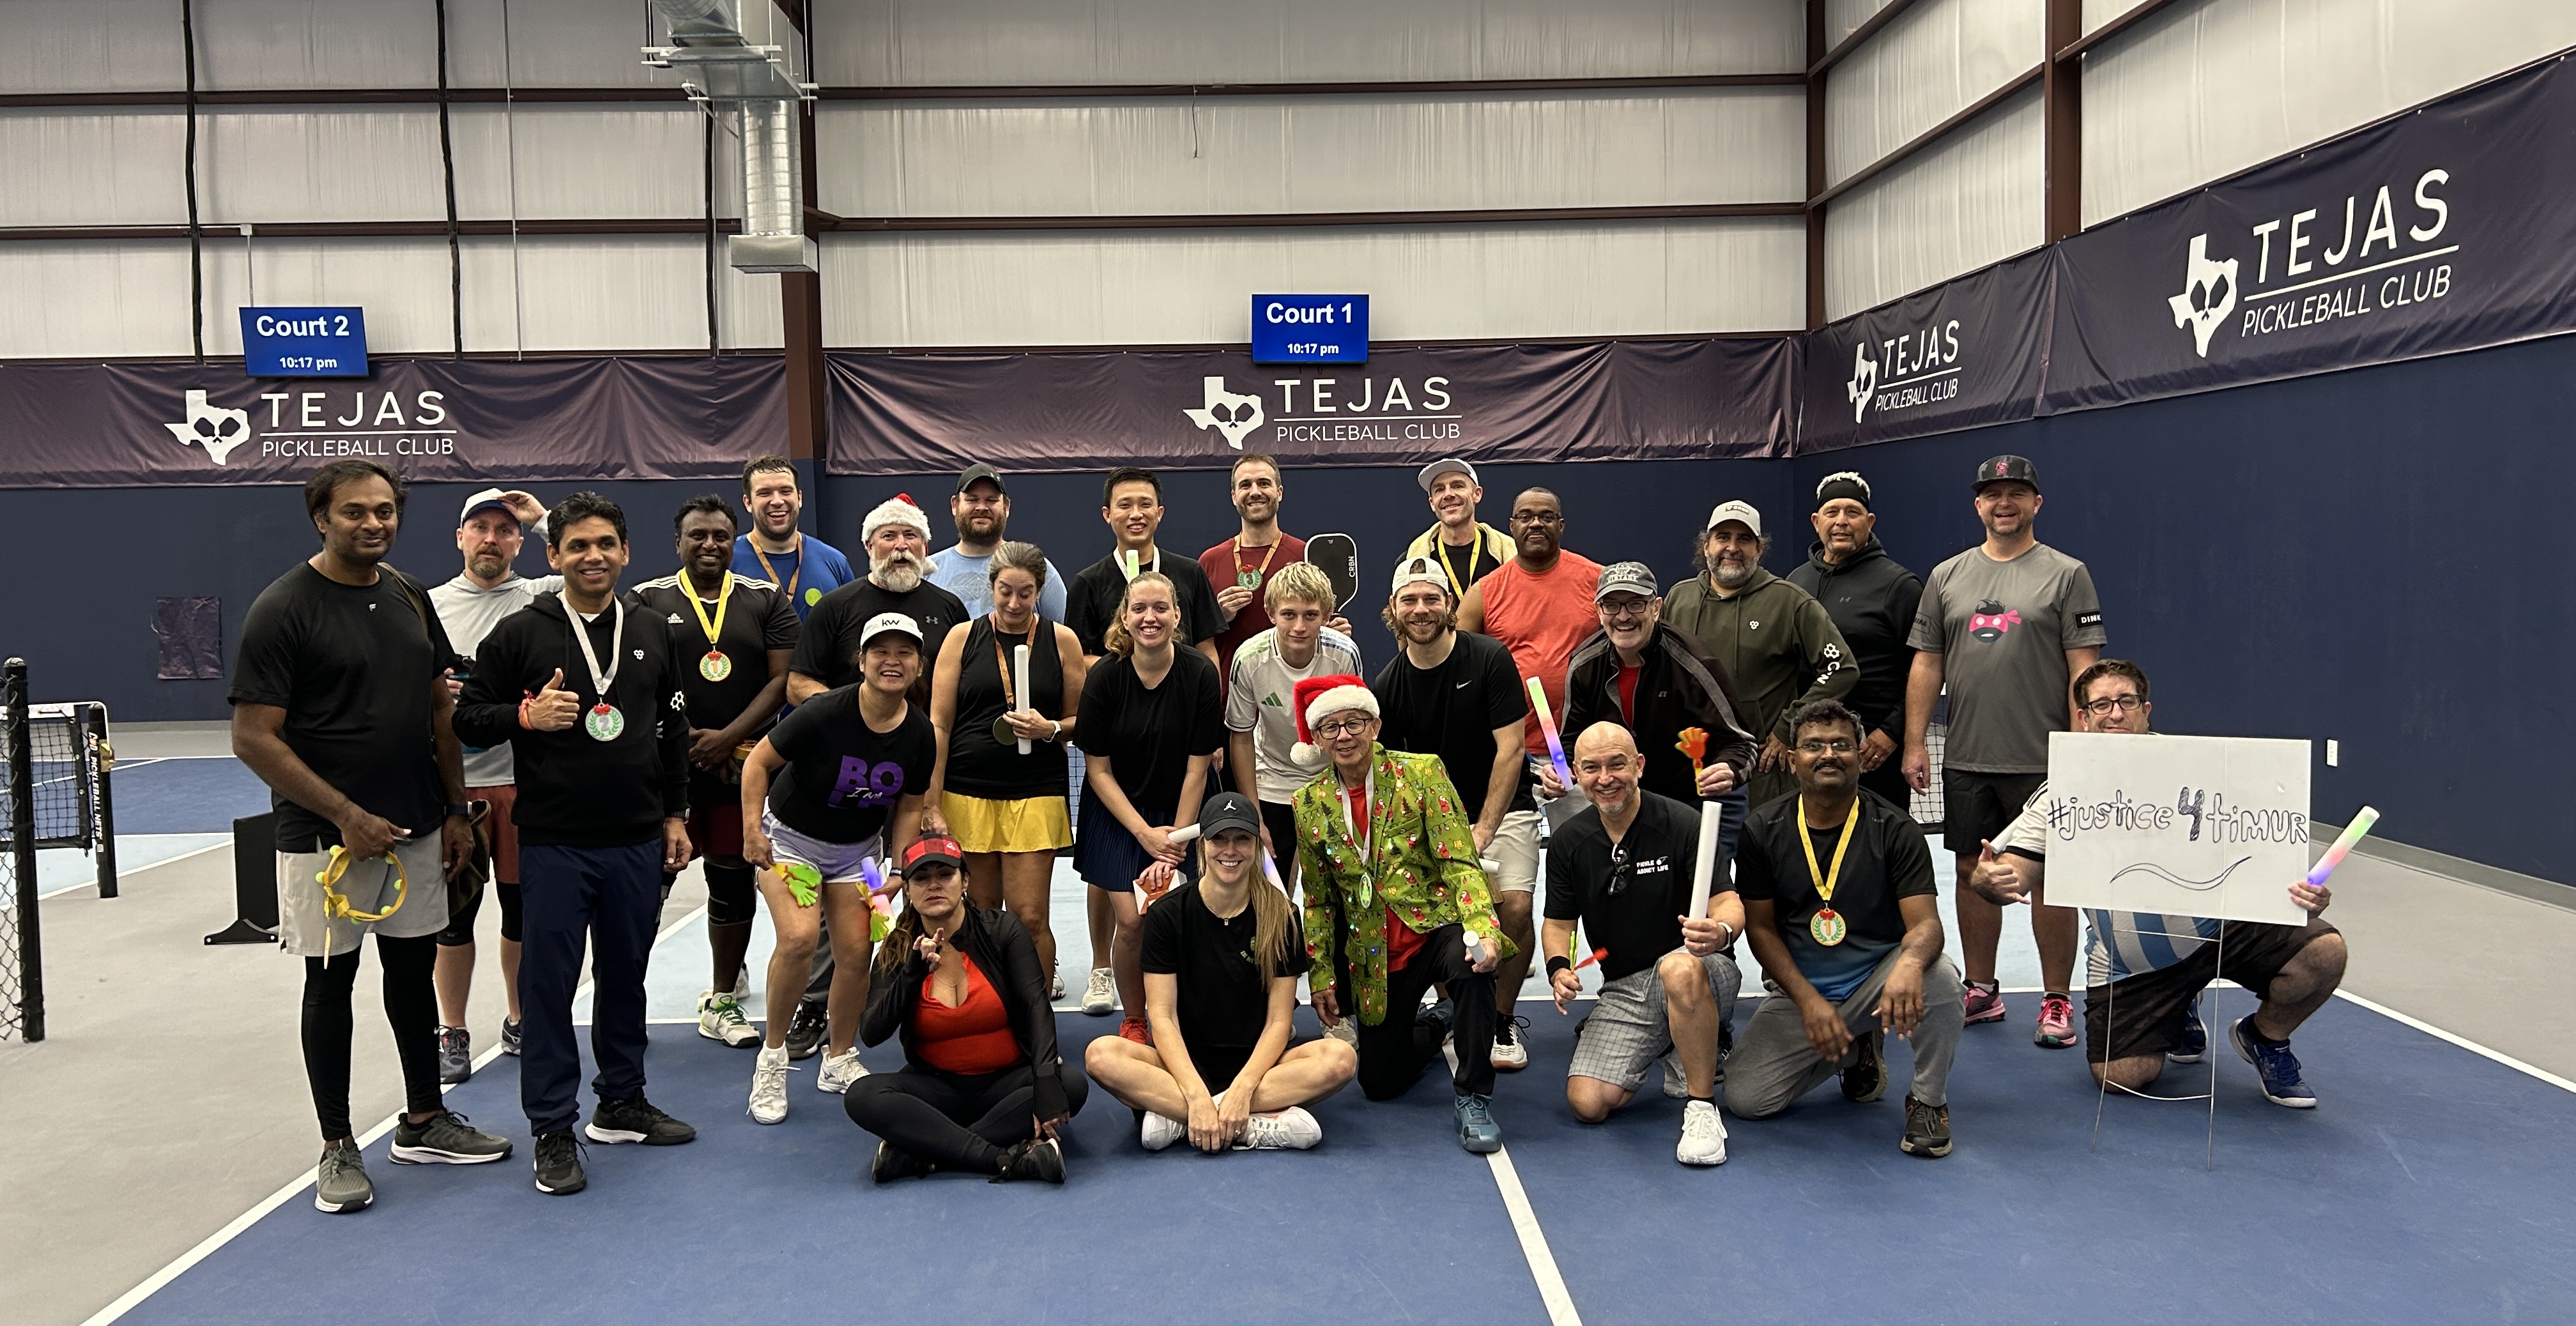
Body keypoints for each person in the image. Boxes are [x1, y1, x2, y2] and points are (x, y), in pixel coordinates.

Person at [231, 460, 511, 1214]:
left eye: (385, 511)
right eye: (355, 512)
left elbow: (439, 711)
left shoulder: (409, 595)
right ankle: (337, 1144)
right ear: (321, 518)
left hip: (416, 824)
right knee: (330, 985)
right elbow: (253, 737)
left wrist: (455, 810)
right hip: (326, 841)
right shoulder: (283, 609)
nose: (374, 524)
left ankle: (423, 1120)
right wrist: (346, 815)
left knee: (412, 975)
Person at [454, 492, 698, 1197]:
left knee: (626, 976)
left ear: (625, 552)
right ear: (554, 555)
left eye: (606, 544)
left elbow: (672, 733)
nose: (594, 556)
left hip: (636, 839)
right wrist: (525, 716)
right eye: (579, 546)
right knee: (549, 988)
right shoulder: (520, 632)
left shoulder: (652, 628)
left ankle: (621, 1102)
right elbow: (469, 718)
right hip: (555, 842)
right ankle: (553, 1128)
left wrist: (675, 816)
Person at [1967, 660, 2346, 1107]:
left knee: (2324, 953)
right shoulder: (2063, 791)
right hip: (2131, 964)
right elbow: (2016, 870)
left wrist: (2300, 895)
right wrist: (1991, 880)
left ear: (2146, 710)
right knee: (2121, 1078)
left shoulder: (2202, 769)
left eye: (2127, 702)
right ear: (2083, 718)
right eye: (2101, 705)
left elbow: (2259, 849)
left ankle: (2265, 1038)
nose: (2115, 713)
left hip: (2222, 933)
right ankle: (2178, 1005)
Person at [1903, 455, 2106, 1046]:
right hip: (1967, 758)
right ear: (1978, 505)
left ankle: (2056, 999)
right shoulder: (1947, 576)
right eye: (1993, 494)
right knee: (1972, 873)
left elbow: (2084, 669)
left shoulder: (2067, 574)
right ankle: (1982, 990)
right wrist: (1915, 742)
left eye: (2016, 493)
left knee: (2051, 881)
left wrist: (2080, 753)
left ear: (2036, 503)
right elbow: (1928, 663)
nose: (2004, 503)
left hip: (2044, 763)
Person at [1724, 699, 1963, 1159]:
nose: (1828, 755)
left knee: (1940, 979)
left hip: (1879, 984)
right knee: (1747, 1099)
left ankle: (1928, 1101)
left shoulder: (1896, 828)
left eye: (1841, 745)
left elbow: (1926, 925)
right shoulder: (1762, 829)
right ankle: (1855, 1045)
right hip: (1804, 991)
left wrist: (1910, 963)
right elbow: (1761, 930)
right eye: (1813, 746)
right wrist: (1810, 1003)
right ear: (1792, 759)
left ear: (1860, 755)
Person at [1291, 674, 1512, 1153]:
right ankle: (1439, 1022)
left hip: (1436, 927)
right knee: (1379, 1082)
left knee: (1474, 965)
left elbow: (1459, 861)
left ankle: (1474, 1095)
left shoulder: (1422, 772)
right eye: (1330, 727)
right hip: (1374, 955)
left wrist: (1483, 928)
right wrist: (1322, 975)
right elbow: (1318, 900)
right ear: (1318, 739)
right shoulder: (1307, 804)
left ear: (1375, 726)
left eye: (1354, 723)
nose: (1344, 736)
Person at [739, 612, 937, 1122]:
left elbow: (910, 807)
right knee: (800, 939)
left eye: (904, 653)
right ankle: (772, 1061)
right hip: (789, 843)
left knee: (858, 949)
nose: (892, 662)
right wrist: (752, 831)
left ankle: (839, 1057)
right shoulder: (824, 712)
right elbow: (758, 763)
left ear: (919, 666)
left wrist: (899, 870)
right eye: (881, 652)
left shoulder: (920, 733)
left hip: (860, 853)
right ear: (861, 661)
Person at [1087, 793, 1359, 1152]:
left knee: (1341, 1059)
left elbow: (1279, 1022)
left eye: (1242, 839)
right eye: (1220, 839)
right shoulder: (1167, 915)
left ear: (1256, 846)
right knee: (1101, 1055)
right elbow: (1163, 1018)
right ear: (1202, 846)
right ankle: (1247, 1125)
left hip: (1261, 1068)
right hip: (1183, 1065)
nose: (1230, 850)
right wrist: (1195, 1094)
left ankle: (1185, 1120)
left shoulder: (1282, 916)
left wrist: (1243, 1088)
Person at [634, 496, 800, 1051]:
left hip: (738, 769)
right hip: (665, 773)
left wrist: (728, 737)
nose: (709, 545)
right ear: (678, 542)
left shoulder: (764, 598)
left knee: (731, 883)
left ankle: (723, 999)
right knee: (646, 888)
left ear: (735, 541)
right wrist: (680, 741)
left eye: (721, 536)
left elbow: (782, 681)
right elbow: (634, 681)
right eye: (698, 536)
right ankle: (625, 1000)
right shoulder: (647, 599)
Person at [1064, 466, 1228, 1015]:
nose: (1150, 617)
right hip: (1118, 813)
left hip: (1180, 811)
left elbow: (1197, 767)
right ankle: (1136, 1020)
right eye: (1140, 609)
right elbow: (1098, 769)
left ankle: (1187, 1017)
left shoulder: (1199, 674)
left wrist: (1174, 841)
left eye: (1161, 609)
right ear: (1125, 617)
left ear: (1178, 616)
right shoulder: (1104, 678)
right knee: (1133, 920)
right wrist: (1144, 834)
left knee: (1180, 914)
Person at [1543, 723, 1743, 1166]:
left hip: (1700, 969)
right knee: (1588, 1103)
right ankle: (1672, 1041)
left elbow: (1727, 901)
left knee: (1678, 970)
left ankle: (1702, 1108)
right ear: (1576, 773)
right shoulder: (1569, 841)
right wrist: (1558, 968)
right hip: (1626, 988)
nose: (1605, 778)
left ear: (1639, 766)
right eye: (1592, 768)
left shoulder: (1683, 823)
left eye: (1617, 765)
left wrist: (1721, 931)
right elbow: (1558, 922)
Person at [1371, 555, 1540, 1069]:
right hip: (1432, 824)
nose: (1421, 609)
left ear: (1449, 604)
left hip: (1503, 811)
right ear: (1394, 609)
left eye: (1431, 598)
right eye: (1410, 600)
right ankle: (1458, 1012)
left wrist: (1482, 829)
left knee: (1514, 908)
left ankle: (1501, 1020)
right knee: (1442, 923)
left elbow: (1511, 749)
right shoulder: (1387, 686)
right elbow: (1394, 779)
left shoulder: (1489, 658)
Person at [846, 835, 1088, 1184]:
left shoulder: (1002, 930)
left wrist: (1047, 1079)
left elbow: (1036, 1007)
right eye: (921, 878)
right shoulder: (898, 950)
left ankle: (925, 1151)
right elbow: (872, 1032)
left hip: (1007, 1084)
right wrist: (912, 974)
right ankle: (1003, 1158)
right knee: (862, 1096)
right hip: (935, 1089)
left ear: (965, 881)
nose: (934, 885)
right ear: (908, 891)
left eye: (945, 875)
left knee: (1071, 1085)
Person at [428, 485, 556, 1082]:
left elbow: (595, 568)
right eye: (480, 528)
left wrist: (542, 519)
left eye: (505, 530)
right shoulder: (428, 605)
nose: (491, 539)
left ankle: (521, 1017)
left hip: (522, 784)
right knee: (453, 918)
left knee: (521, 912)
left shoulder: (540, 597)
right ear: (460, 537)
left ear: (519, 542)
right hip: (454, 789)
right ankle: (452, 1029)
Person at [926, 541, 1085, 993]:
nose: (1015, 603)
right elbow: (939, 724)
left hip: (1037, 793)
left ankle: (1035, 1011)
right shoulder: (962, 638)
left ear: (1040, 591)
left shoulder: (1062, 641)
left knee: (1030, 916)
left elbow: (1081, 721)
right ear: (992, 588)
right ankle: (986, 1006)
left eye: (1026, 593)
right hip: (966, 793)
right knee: (978, 912)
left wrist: (1050, 728)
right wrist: (932, 803)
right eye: (1005, 592)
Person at [1660, 500, 1857, 809]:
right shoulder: (1679, 598)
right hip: (1691, 764)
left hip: (1761, 770)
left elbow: (1840, 667)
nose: (1732, 548)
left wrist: (1788, 726)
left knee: (1758, 840)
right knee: (1696, 841)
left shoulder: (1789, 602)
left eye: (1744, 539)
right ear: (1706, 545)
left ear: (1759, 549)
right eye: (1723, 537)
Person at [1561, 560, 1758, 859]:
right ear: (1599, 611)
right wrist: (1561, 770)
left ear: (1656, 608)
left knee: (1702, 885)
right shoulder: (1584, 665)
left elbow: (1741, 744)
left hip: (1698, 800)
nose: (1623, 616)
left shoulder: (1694, 663)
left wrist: (1729, 769)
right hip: (1630, 803)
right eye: (1612, 606)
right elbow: (1571, 742)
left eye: (1636, 604)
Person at [1784, 473, 1922, 812]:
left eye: (1853, 512)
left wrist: (1891, 733)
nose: (1841, 522)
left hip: (1873, 755)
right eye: (1832, 512)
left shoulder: (1900, 586)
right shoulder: (1795, 582)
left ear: (1869, 522)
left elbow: (1924, 671)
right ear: (1816, 522)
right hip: (1809, 752)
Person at [1459, 488, 1603, 805]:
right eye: (1526, 517)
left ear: (1561, 526)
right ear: (1512, 527)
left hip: (1582, 754)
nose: (1536, 524)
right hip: (1511, 753)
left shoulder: (1597, 581)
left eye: (1546, 517)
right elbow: (1454, 666)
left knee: (1582, 838)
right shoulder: (1485, 592)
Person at [1223, 561, 1361, 889]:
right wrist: (1255, 817)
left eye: (1310, 615)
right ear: (1271, 613)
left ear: (1326, 616)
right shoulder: (1248, 659)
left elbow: (1354, 734)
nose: (1299, 626)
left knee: (1335, 889)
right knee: (1271, 892)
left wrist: (1350, 794)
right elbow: (1241, 736)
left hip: (1330, 779)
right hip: (1271, 780)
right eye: (1289, 615)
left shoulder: (1344, 654)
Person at [788, 494, 969, 703]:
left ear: (924, 545)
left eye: (910, 535)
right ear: (869, 546)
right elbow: (797, 685)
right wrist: (845, 712)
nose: (901, 545)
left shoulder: (950, 608)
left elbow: (968, 681)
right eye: (889, 536)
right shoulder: (834, 607)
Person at [1064, 466, 1227, 664]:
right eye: (1125, 505)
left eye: (1145, 504)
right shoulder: (1088, 583)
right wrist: (1127, 674)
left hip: (1182, 684)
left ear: (1159, 513)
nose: (1136, 514)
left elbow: (1207, 650)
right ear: (1107, 515)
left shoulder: (1191, 573)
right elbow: (1078, 658)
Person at [1200, 452, 1333, 682]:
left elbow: (1321, 623)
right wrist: (1217, 617)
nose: (1255, 492)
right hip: (1230, 692)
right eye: (1245, 485)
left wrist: (1335, 633)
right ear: (1234, 497)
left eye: (1264, 483)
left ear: (1279, 492)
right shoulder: (1210, 561)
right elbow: (1195, 640)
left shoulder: (1307, 556)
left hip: (1296, 690)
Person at [923, 462, 1067, 620]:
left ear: (1007, 507)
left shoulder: (1038, 569)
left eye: (991, 500)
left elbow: (1063, 633)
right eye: (972, 500)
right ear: (955, 505)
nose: (981, 507)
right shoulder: (928, 571)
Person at [733, 455, 855, 621]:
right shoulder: (727, 562)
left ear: (799, 498)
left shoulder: (835, 562)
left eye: (786, 491)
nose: (777, 501)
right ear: (748, 503)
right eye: (765, 493)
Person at [1404, 457, 1515, 598]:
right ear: (1432, 503)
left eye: (1457, 486)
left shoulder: (1510, 554)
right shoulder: (1409, 562)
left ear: (1477, 494)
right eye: (1439, 490)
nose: (1448, 495)